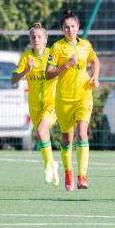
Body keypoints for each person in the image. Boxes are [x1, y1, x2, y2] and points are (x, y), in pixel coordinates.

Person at [46, 10, 100, 191]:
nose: (70, 30)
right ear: (62, 30)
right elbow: (48, 73)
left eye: (73, 26)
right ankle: (68, 171)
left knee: (82, 133)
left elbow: (95, 60)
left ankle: (82, 176)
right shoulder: (57, 48)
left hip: (84, 96)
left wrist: (95, 77)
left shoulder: (85, 45)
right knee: (67, 139)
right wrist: (66, 65)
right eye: (66, 27)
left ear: (78, 28)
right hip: (64, 99)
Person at [11, 22, 59, 186]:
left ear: (46, 40)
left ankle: (48, 166)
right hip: (34, 105)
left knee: (41, 130)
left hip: (51, 103)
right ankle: (52, 163)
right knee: (41, 135)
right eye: (33, 37)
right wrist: (26, 71)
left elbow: (61, 73)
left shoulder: (52, 55)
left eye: (40, 37)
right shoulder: (26, 57)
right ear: (30, 40)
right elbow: (13, 80)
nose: (36, 39)